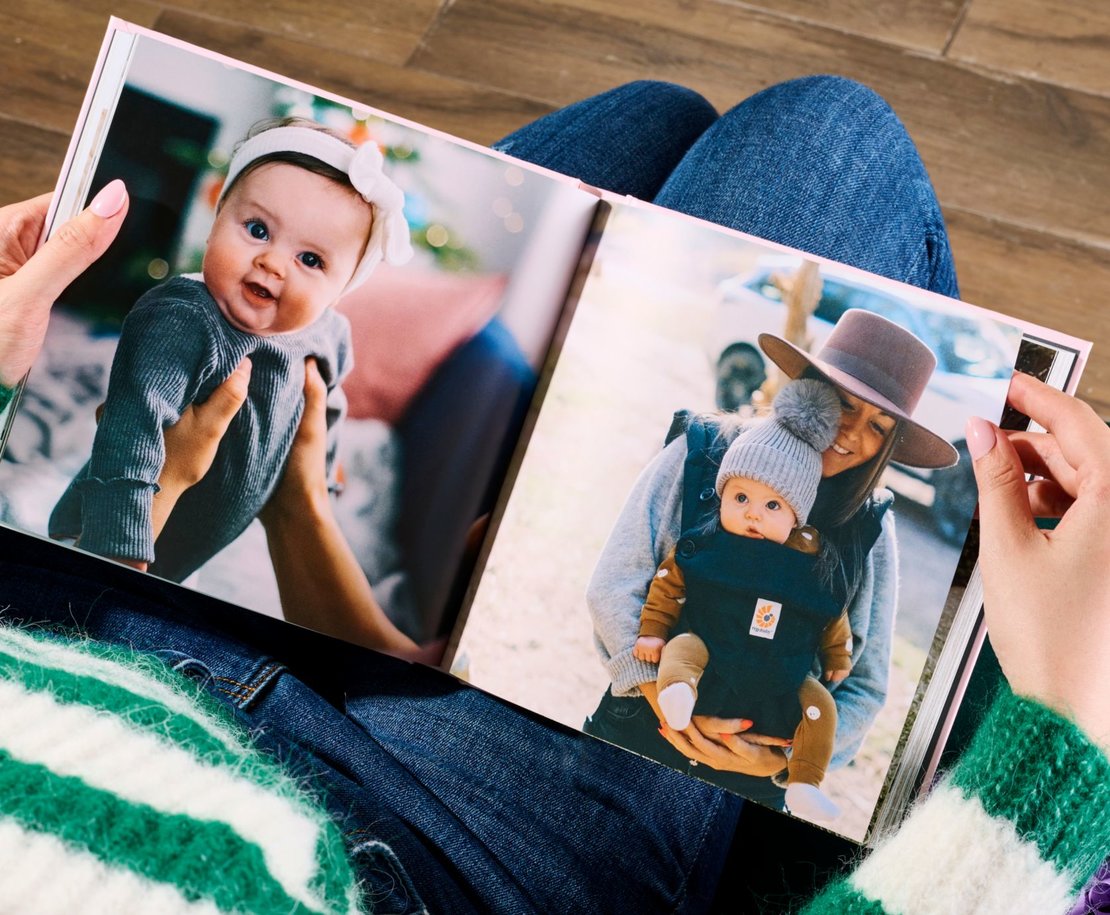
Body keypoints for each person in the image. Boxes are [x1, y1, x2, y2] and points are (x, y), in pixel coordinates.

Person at [0, 76, 1107, 913]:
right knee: (825, 133)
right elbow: (637, 588)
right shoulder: (704, 465)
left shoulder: (868, 542)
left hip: (66, 629)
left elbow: (857, 674)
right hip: (447, 857)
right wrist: (1063, 730)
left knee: (647, 121)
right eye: (835, 405)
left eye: (871, 422)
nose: (848, 430)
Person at [585, 302, 959, 808]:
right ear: (810, 393)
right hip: (636, 736)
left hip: (749, 787)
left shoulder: (870, 526)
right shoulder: (703, 452)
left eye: (878, 427)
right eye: (847, 404)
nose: (852, 435)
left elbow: (865, 685)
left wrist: (781, 762)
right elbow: (616, 582)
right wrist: (664, 697)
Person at [46, 118, 413, 581]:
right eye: (258, 229)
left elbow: (328, 410)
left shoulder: (328, 333)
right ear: (215, 220)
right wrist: (118, 545)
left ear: (341, 290)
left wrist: (322, 481)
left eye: (311, 260)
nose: (273, 262)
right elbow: (132, 425)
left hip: (195, 544)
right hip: (113, 534)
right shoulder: (185, 317)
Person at [631, 377, 851, 822]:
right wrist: (653, 633)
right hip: (709, 649)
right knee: (681, 651)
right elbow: (667, 588)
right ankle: (676, 697)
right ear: (723, 495)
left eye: (773, 507)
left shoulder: (812, 567)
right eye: (741, 497)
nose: (753, 512)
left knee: (821, 705)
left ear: (796, 517)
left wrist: (837, 655)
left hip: (782, 671)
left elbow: (831, 614)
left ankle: (805, 781)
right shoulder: (705, 546)